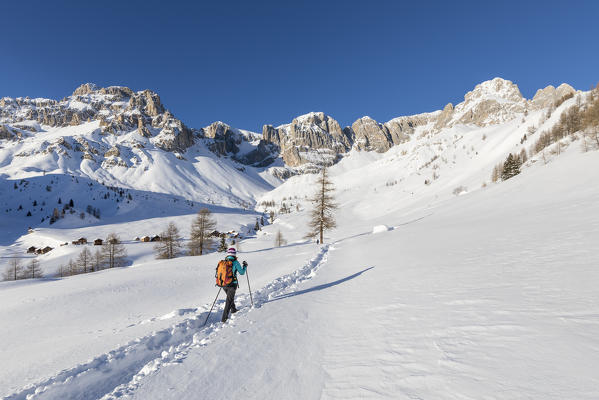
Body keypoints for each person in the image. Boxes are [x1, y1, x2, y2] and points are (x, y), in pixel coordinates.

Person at [221, 247, 247, 323]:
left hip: (224, 284)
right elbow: (242, 272)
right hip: (232, 284)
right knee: (229, 300)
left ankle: (233, 310)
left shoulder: (224, 262)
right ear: (234, 254)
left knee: (230, 297)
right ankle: (224, 319)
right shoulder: (235, 262)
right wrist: (245, 266)